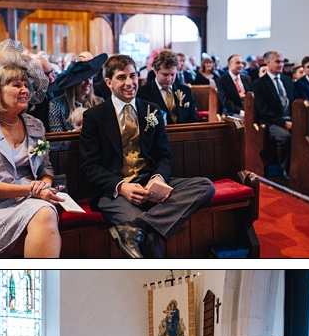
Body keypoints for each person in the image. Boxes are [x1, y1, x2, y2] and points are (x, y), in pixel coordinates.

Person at [78, 54, 217, 258]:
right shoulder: (95, 116)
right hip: (114, 191)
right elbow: (88, 166)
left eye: (133, 76)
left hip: (148, 184)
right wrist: (122, 186)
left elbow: (164, 155)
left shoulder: (151, 110)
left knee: (205, 186)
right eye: (121, 77)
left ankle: (134, 228)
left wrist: (157, 178)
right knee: (149, 238)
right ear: (108, 82)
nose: (129, 83)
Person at [0, 62, 66, 258]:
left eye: (26, 85)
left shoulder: (35, 125)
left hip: (31, 199)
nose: (25, 90)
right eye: (16, 85)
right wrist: (32, 190)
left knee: (45, 211)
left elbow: (45, 167)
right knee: (45, 211)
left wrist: (45, 185)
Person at [250, 50, 294, 175]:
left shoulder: (287, 80)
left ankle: (299, 168)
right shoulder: (259, 84)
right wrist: (283, 123)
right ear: (268, 63)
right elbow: (263, 110)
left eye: (282, 62)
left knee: (305, 134)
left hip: (289, 118)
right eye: (277, 62)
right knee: (285, 137)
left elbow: (294, 101)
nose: (281, 65)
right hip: (271, 121)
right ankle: (284, 168)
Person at [45, 52, 107, 132]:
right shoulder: (56, 105)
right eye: (84, 79)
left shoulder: (99, 102)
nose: (88, 83)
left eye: (90, 78)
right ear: (73, 83)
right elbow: (57, 137)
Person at [138, 50, 199, 125]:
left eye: (172, 74)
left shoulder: (185, 91)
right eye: (165, 75)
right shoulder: (143, 93)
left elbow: (193, 121)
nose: (169, 79)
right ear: (155, 71)